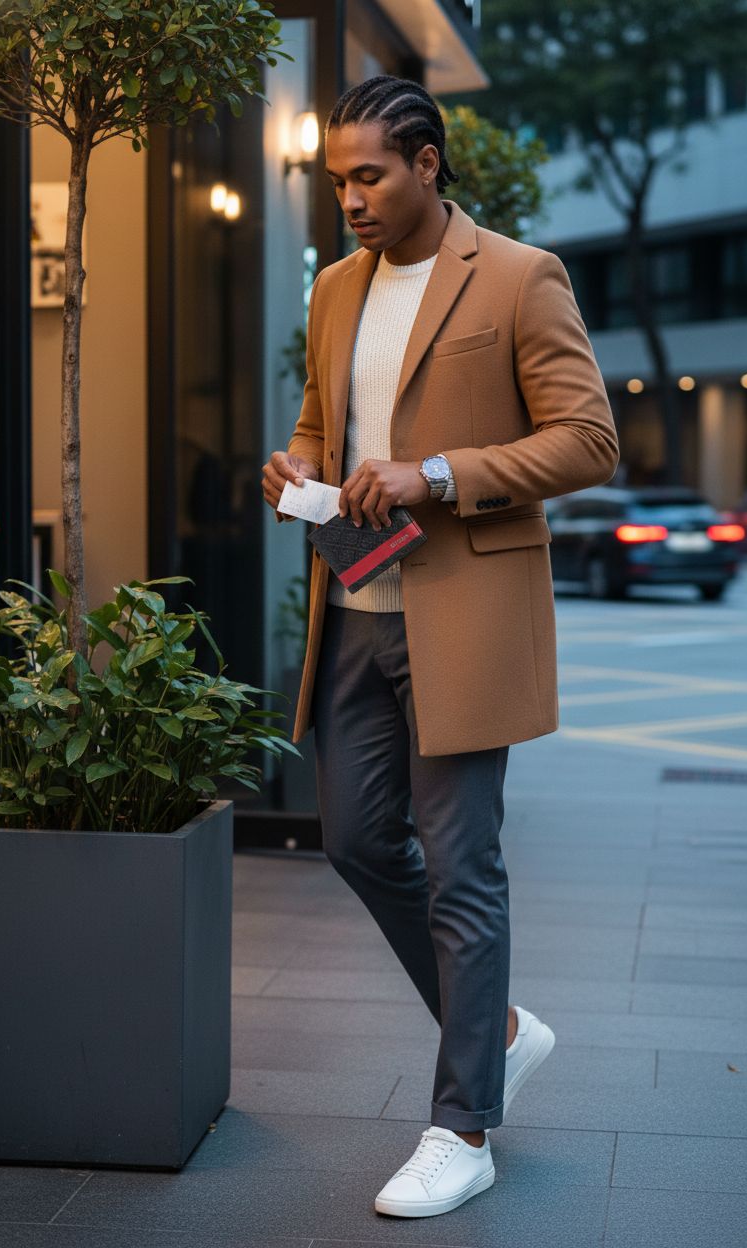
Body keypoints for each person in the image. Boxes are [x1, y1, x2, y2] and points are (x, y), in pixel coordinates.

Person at [261, 74, 620, 1219]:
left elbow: (586, 440)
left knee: (462, 864)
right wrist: (298, 468)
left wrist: (440, 475)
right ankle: (500, 1030)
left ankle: (461, 1125)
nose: (350, 200)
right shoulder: (330, 288)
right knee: (359, 842)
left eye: (368, 175)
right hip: (357, 609)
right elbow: (324, 424)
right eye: (336, 182)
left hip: (463, 612)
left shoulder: (519, 277)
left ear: (426, 159)